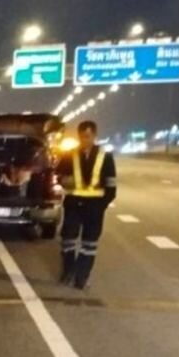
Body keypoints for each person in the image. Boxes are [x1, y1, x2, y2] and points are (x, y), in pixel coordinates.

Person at [55, 120, 117, 290]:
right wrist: (64, 180)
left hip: (95, 206)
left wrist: (102, 205)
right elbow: (58, 174)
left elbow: (111, 185)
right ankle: (68, 272)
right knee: (68, 240)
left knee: (89, 244)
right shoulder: (71, 154)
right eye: (82, 137)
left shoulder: (105, 156)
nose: (85, 140)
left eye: (88, 137)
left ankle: (81, 277)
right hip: (74, 203)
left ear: (94, 136)